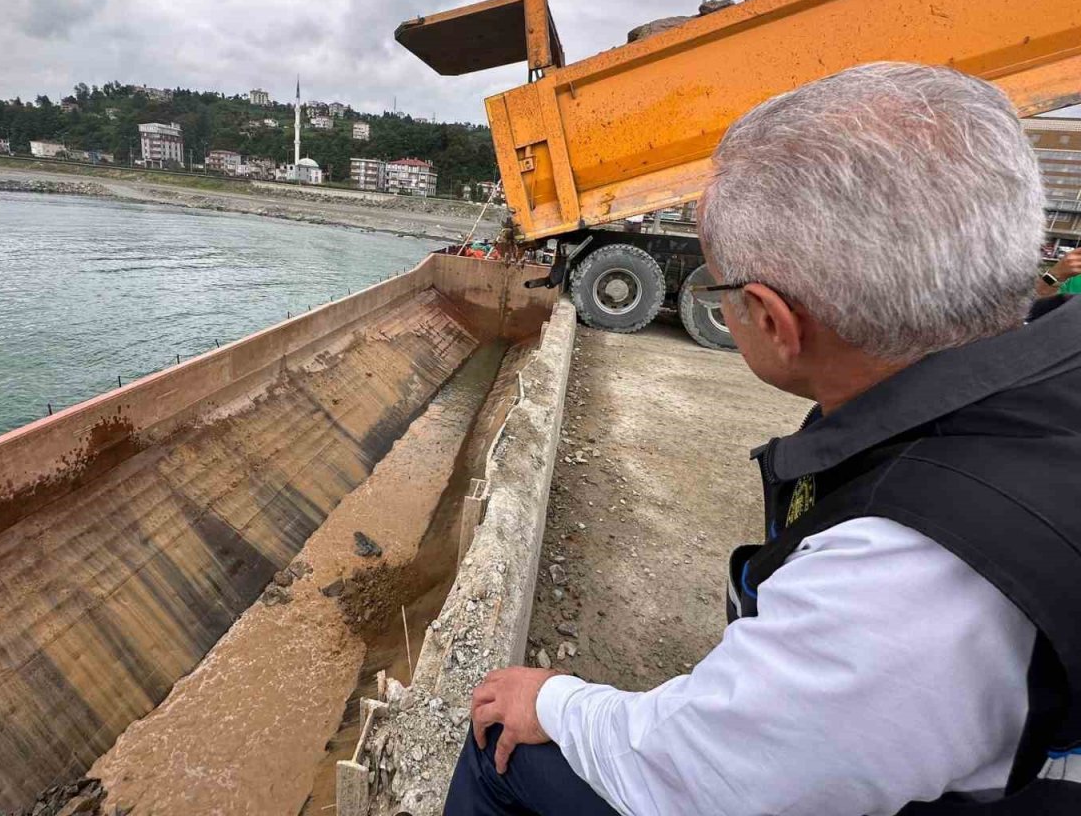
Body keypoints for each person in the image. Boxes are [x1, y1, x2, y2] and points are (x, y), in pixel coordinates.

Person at [443, 63, 1081, 815]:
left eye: (718, 289)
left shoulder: (906, 570)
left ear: (773, 322)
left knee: (498, 751)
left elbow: (702, 782)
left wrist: (551, 700)